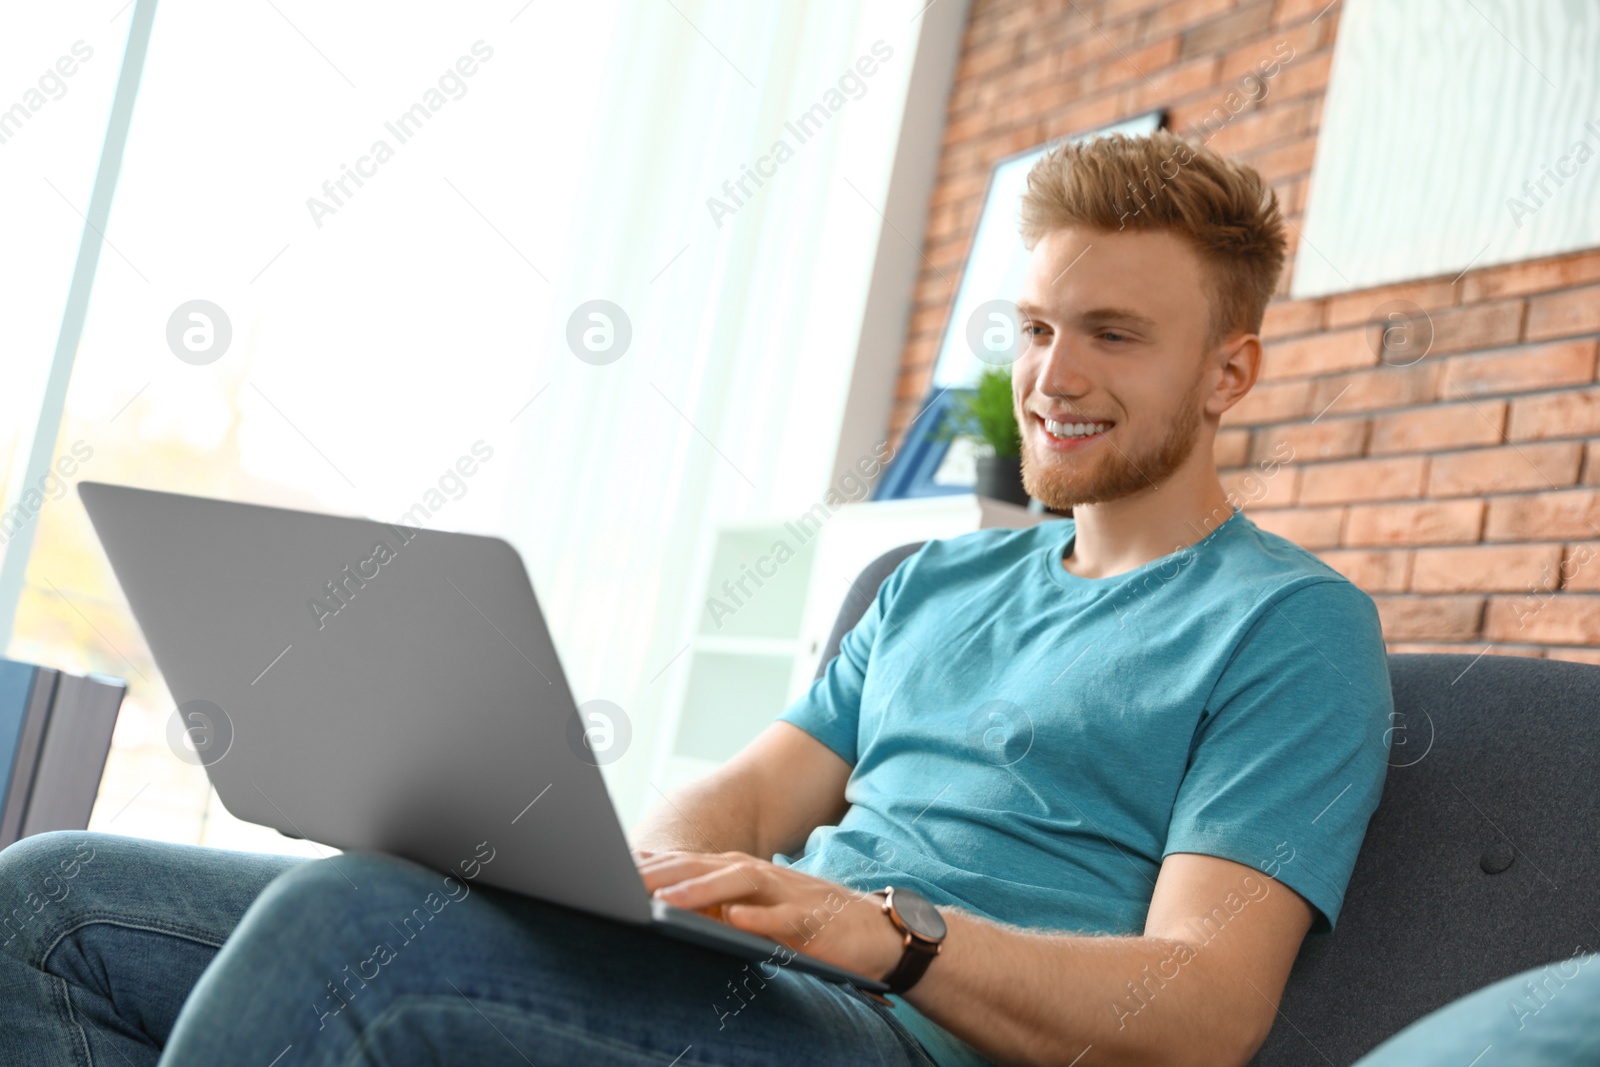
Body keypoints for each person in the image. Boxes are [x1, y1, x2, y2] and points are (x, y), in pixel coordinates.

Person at [0, 130, 1394, 1067]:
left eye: (1113, 334)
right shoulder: (931, 582)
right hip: (760, 985)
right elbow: (732, 805)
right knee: (49, 895)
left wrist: (889, 936)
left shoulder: (1287, 627)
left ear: (1228, 375)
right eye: (1035, 328)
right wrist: (659, 888)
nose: (1053, 375)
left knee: (347, 929)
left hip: (900, 1036)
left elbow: (1206, 1006)